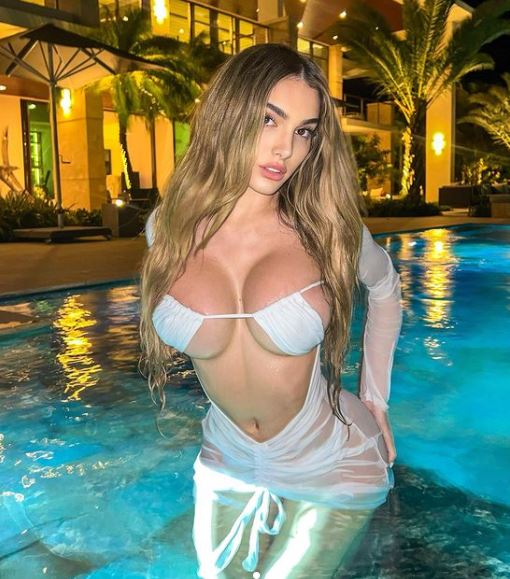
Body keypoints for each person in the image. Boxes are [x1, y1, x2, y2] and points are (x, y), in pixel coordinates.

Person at [140, 44, 402, 578]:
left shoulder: (327, 232)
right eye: (268, 120)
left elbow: (386, 288)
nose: (285, 148)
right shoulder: (166, 229)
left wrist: (376, 400)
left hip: (331, 458)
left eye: (304, 131)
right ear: (228, 113)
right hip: (227, 456)